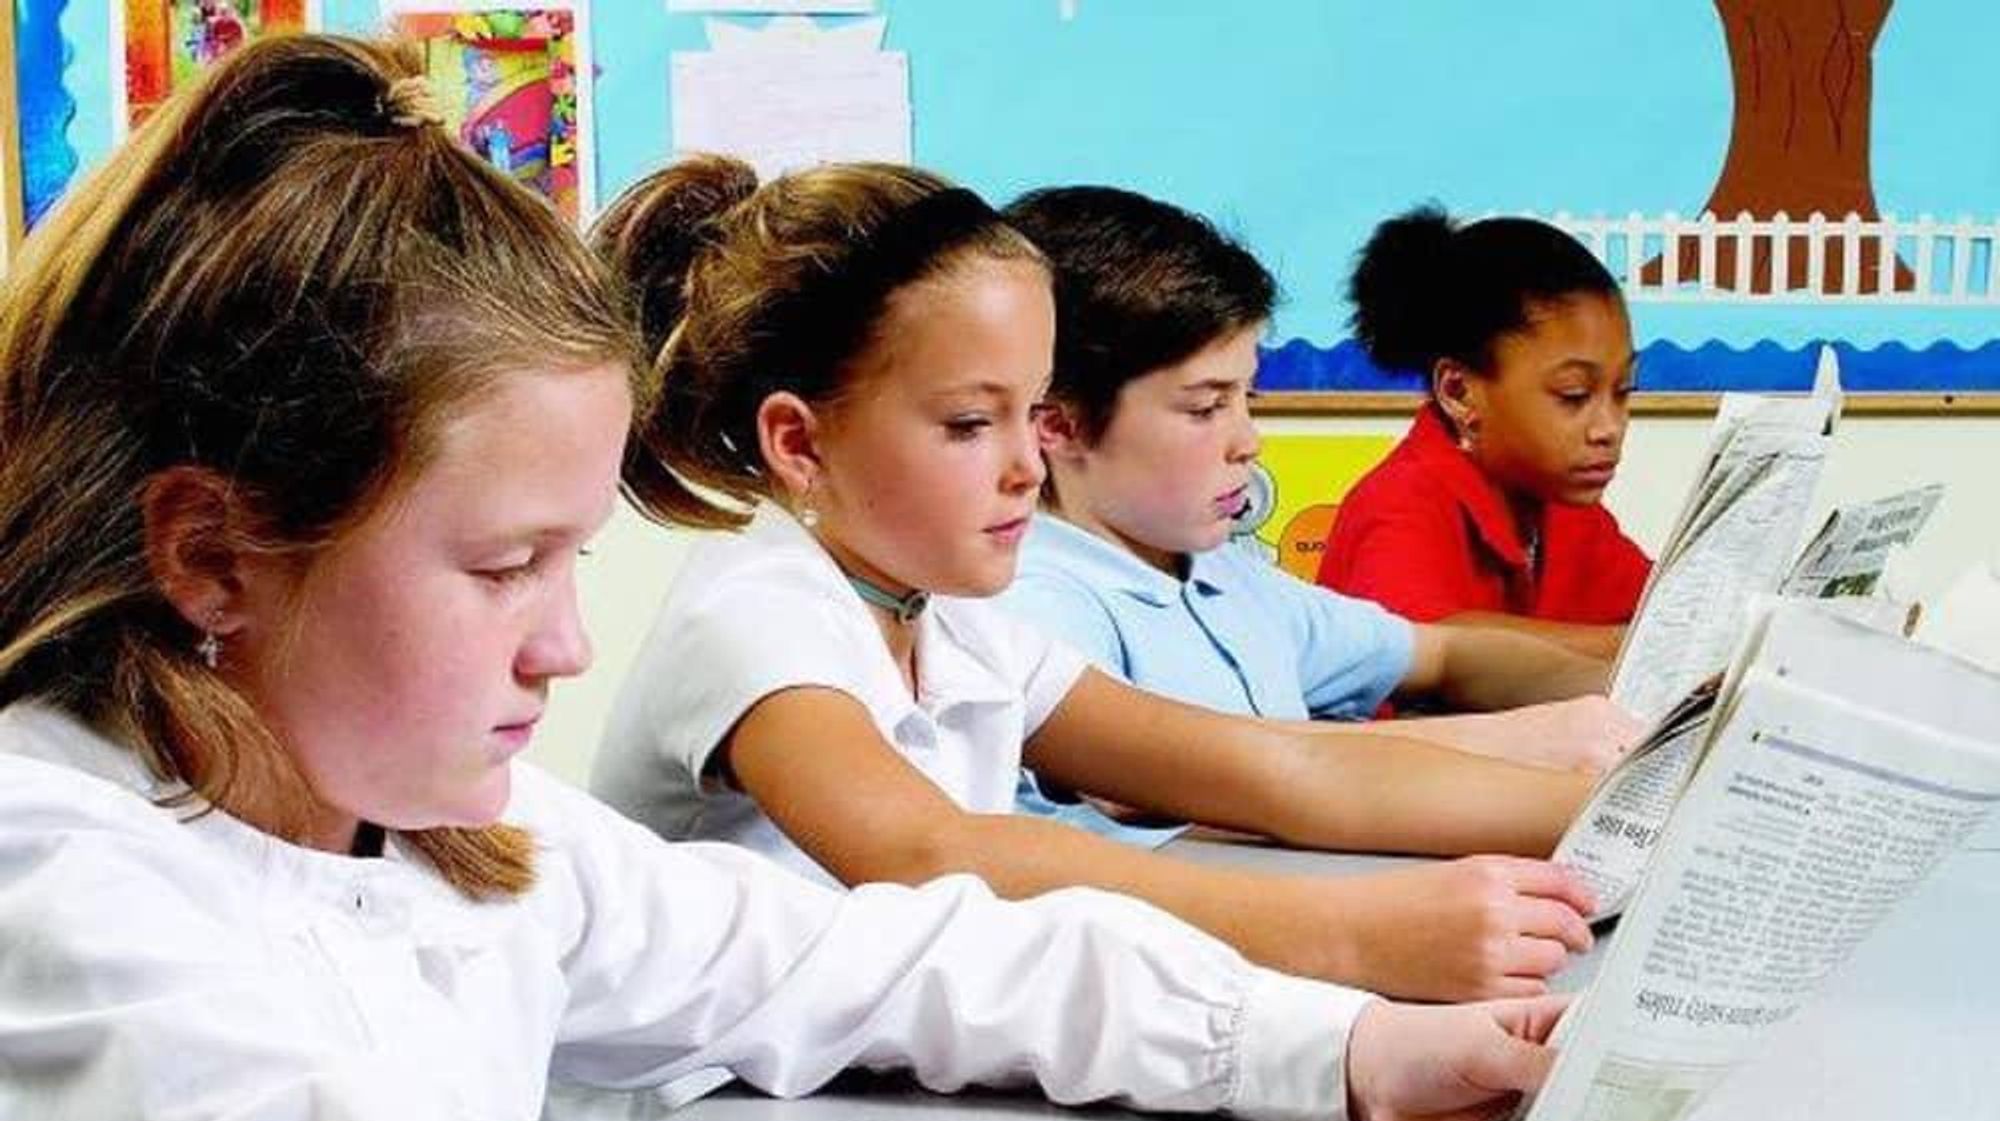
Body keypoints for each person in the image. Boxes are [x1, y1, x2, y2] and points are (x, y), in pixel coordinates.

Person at [0, 37, 1635, 1121]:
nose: (567, 647)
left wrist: (1334, 1052)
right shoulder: (47, 865)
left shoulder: (454, 834)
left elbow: (869, 961)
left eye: (575, 565)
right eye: (505, 568)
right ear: (217, 556)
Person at [591, 158, 1605, 1003]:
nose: (1026, 468)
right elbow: (926, 856)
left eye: (1029, 412)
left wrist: (1615, 824)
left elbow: (1276, 771)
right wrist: (1346, 933)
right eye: (966, 424)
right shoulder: (755, 611)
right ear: (797, 443)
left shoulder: (950, 620)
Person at [997, 185, 1639, 839]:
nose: (1248, 441)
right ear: (1061, 425)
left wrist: (1656, 691)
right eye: (1204, 407)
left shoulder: (1225, 576)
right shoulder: (1034, 602)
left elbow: (1440, 653)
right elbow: (1266, 779)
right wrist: (1525, 744)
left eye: (1249, 396)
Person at [1317, 206, 1653, 660]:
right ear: (1458, 392)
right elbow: (1422, 641)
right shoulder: (1399, 502)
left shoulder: (1568, 509)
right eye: (1573, 395)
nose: (1609, 428)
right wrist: (1644, 650)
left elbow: (1665, 612)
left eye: (1623, 391)